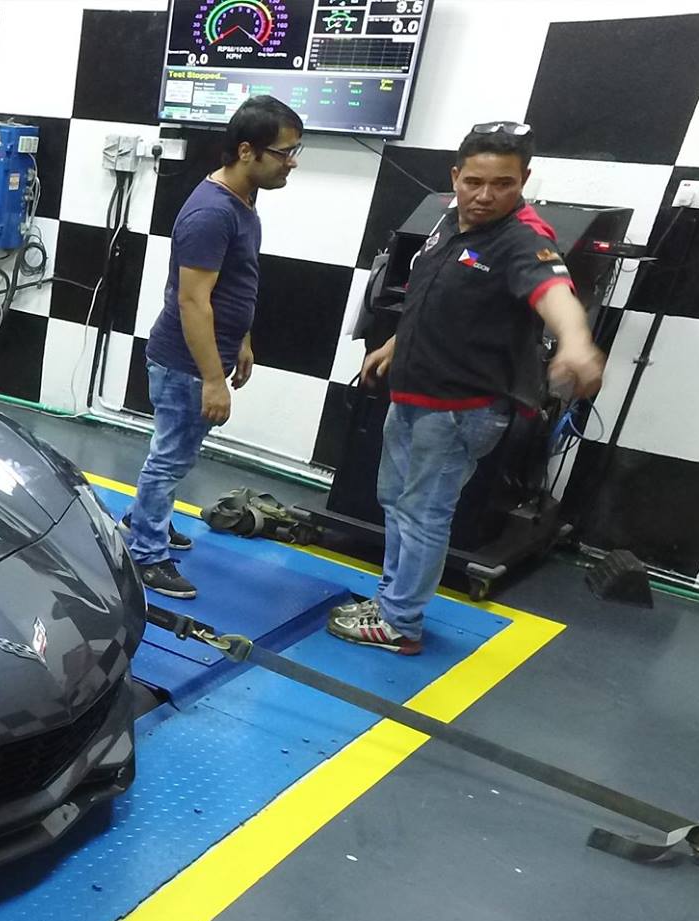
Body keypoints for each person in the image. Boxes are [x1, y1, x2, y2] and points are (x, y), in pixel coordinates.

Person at [334, 122, 605, 653]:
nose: (485, 196)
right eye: (474, 182)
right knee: (396, 500)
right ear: (455, 175)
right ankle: (391, 601)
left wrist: (575, 341)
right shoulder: (450, 220)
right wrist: (394, 344)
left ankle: (400, 623)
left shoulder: (522, 239)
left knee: (423, 513)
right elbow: (437, 294)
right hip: (414, 394)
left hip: (459, 409)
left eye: (503, 184)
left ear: (524, 179)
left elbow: (553, 290)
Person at [128, 96, 303, 600]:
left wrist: (242, 340)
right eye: (284, 152)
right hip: (186, 363)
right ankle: (145, 552)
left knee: (176, 455)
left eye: (295, 151)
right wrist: (211, 378)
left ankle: (145, 518)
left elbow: (234, 282)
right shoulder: (211, 213)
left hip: (206, 356)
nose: (291, 163)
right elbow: (192, 301)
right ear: (247, 151)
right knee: (170, 459)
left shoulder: (243, 201)